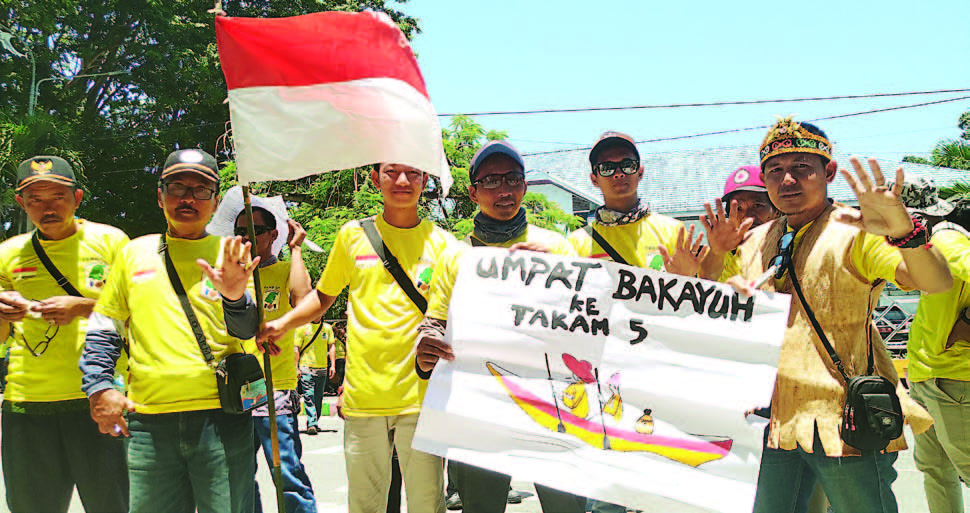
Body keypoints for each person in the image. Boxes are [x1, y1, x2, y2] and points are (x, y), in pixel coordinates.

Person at [704, 117, 947, 513]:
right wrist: (716, 262)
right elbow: (722, 307)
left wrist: (905, 232)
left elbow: (934, 281)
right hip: (773, 418)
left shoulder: (855, 230)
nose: (787, 181)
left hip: (846, 415)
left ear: (828, 172)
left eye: (802, 168)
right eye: (776, 170)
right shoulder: (753, 242)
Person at [258, 162, 456, 513]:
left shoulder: (444, 243)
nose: (402, 181)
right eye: (391, 171)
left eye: (413, 173)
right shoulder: (353, 235)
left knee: (428, 504)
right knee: (365, 505)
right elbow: (322, 297)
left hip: (423, 397)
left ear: (425, 181)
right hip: (365, 399)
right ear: (375, 178)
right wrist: (284, 323)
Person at [80, 148, 262, 513]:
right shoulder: (133, 253)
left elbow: (249, 331)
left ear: (214, 201)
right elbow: (104, 328)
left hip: (222, 417)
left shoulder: (233, 251)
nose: (188, 198)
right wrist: (98, 386)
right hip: (148, 422)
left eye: (201, 190)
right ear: (160, 196)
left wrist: (234, 297)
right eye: (177, 187)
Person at [415, 140, 585, 513]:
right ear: (473, 192)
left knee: (567, 508)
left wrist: (562, 277)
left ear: (525, 186)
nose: (504, 190)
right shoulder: (455, 257)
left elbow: (587, 328)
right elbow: (434, 327)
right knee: (482, 507)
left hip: (553, 407)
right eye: (491, 181)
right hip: (481, 410)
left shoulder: (558, 247)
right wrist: (425, 352)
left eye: (512, 178)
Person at [566, 132, 707, 513]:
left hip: (663, 380)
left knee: (666, 491)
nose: (618, 174)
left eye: (626, 165)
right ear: (594, 178)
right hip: (604, 386)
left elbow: (701, 312)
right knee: (606, 497)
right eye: (606, 168)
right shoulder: (576, 244)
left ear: (640, 171)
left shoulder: (672, 232)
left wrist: (691, 280)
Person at [0, 155, 130, 513]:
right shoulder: (8, 254)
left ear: (77, 197)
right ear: (20, 203)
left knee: (114, 506)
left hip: (101, 401)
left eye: (57, 196)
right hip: (26, 403)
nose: (47, 207)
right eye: (35, 199)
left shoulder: (111, 240)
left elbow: (141, 311)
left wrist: (82, 306)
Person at [234, 205, 316, 513]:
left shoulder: (283, 270)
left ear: (272, 235)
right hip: (236, 388)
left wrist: (295, 250)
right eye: (240, 231)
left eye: (254, 230)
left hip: (274, 387)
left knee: (286, 473)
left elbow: (303, 298)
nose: (246, 237)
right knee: (239, 476)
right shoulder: (230, 275)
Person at [897, 177, 970, 513]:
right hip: (929, 377)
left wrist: (965, 327)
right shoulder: (930, 243)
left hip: (953, 379)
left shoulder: (947, 242)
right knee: (935, 470)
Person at [297, 319, 332, 434]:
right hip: (306, 367)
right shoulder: (302, 328)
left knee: (318, 397)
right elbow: (296, 348)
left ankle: (314, 421)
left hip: (322, 368)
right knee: (309, 395)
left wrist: (333, 366)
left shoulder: (327, 328)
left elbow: (331, 347)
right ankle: (312, 423)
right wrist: (296, 367)